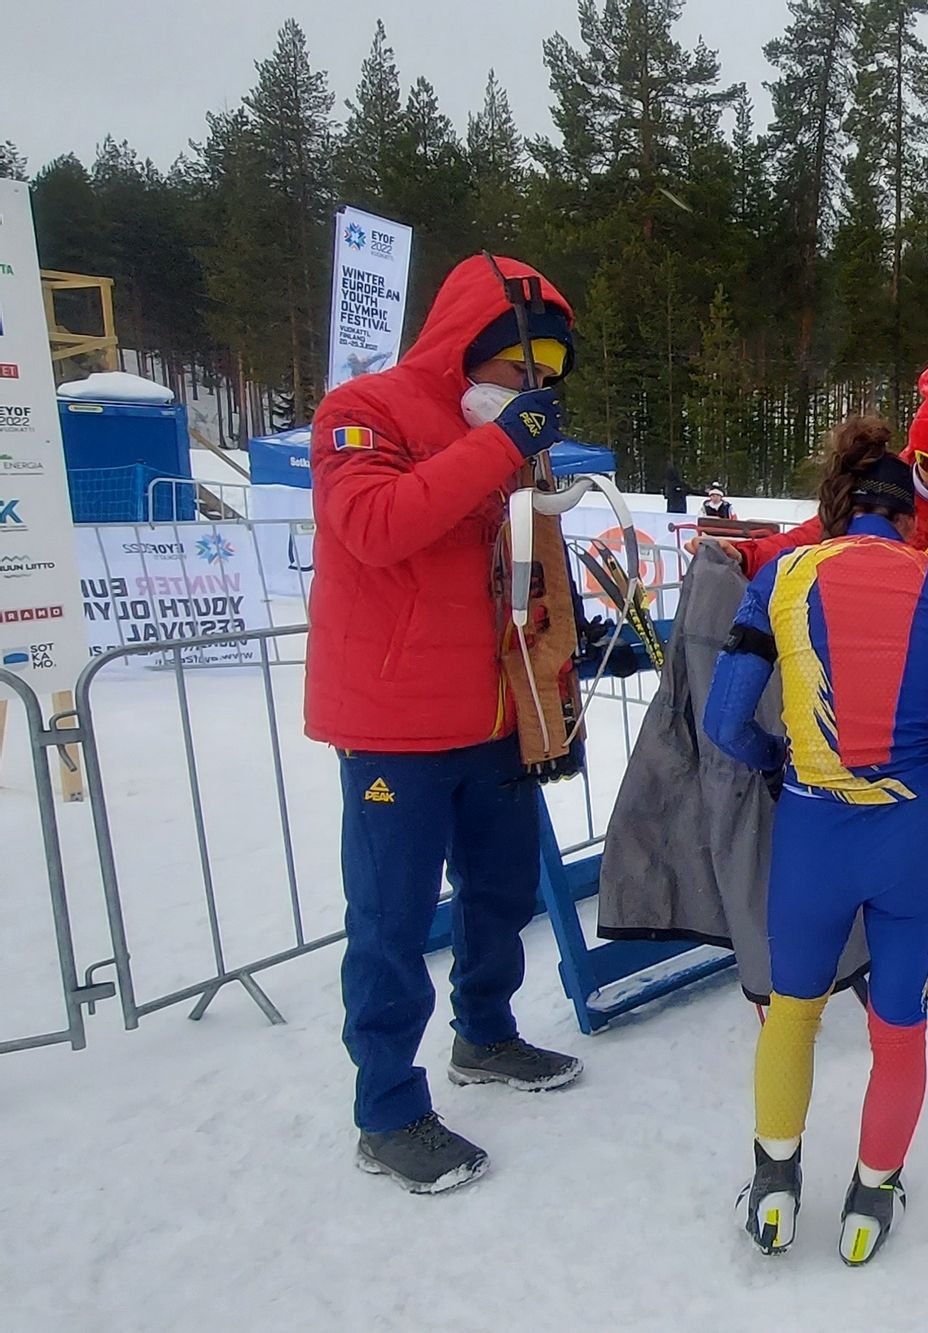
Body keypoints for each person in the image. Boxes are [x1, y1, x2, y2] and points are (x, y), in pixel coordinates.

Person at [704, 420, 928, 1262]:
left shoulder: (783, 575)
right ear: (909, 515)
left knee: (792, 1013)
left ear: (840, 505)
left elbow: (724, 722)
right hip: (912, 832)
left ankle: (774, 1191)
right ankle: (872, 1199)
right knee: (898, 1027)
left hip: (813, 830)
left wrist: (777, 762)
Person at [307, 254, 583, 1194]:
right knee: (390, 921)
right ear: (470, 346)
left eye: (548, 373)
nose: (532, 385)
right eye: (519, 366)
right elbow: (375, 524)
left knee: (500, 892)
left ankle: (486, 1033)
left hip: (494, 709)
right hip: (394, 724)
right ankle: (387, 1108)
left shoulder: (500, 433)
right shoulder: (363, 410)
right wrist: (501, 445)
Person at [710, 363, 928, 997]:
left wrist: (917, 599)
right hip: (883, 688)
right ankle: (872, 934)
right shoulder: (888, 484)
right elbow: (818, 538)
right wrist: (750, 553)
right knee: (870, 819)